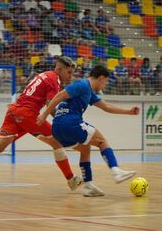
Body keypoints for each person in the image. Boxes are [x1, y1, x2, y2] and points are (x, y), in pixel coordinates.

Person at [0, 56, 83, 191]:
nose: (70, 76)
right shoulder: (54, 80)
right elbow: (50, 105)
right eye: (69, 72)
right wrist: (64, 121)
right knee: (57, 143)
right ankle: (71, 180)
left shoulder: (44, 75)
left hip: (14, 111)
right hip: (28, 114)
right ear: (59, 69)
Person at [37, 65, 139, 197]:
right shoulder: (82, 84)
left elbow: (106, 107)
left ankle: (88, 186)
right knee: (102, 142)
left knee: (85, 149)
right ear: (101, 78)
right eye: (105, 82)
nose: (104, 85)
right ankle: (116, 171)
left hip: (58, 129)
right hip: (70, 123)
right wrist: (44, 115)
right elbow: (59, 96)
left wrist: (129, 112)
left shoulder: (89, 92)